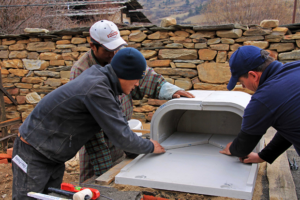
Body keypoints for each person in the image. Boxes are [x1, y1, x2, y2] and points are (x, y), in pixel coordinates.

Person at [12, 47, 166, 199]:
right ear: (125, 74)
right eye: (137, 78)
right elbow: (122, 137)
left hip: (52, 154)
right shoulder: (97, 89)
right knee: (29, 198)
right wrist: (151, 146)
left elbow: (117, 127)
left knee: (51, 196)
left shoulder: (103, 80)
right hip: (33, 153)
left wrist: (136, 149)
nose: (138, 84)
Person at [70, 20, 195, 183]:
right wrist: (105, 175)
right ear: (93, 46)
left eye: (116, 48)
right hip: (97, 140)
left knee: (123, 171)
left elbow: (143, 74)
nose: (114, 53)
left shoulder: (118, 54)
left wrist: (169, 90)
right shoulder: (82, 72)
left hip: (121, 132)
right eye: (108, 50)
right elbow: (93, 130)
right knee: (96, 184)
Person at [220, 45, 300, 164]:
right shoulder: (296, 67)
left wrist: (232, 148)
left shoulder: (264, 98)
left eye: (241, 82)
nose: (243, 86)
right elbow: (291, 128)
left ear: (253, 75)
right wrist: (263, 156)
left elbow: (243, 148)